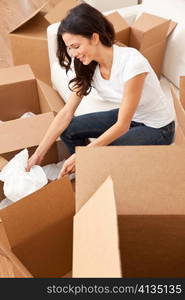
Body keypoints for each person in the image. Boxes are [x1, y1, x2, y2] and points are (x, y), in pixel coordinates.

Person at [27, 3, 175, 178]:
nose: (73, 53)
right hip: (132, 116)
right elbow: (67, 111)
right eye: (69, 48)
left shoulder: (132, 63)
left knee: (102, 155)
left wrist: (85, 155)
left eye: (76, 46)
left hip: (157, 127)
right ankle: (88, 172)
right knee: (69, 130)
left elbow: (122, 125)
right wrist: (39, 153)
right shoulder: (88, 65)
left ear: (94, 37)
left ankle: (92, 172)